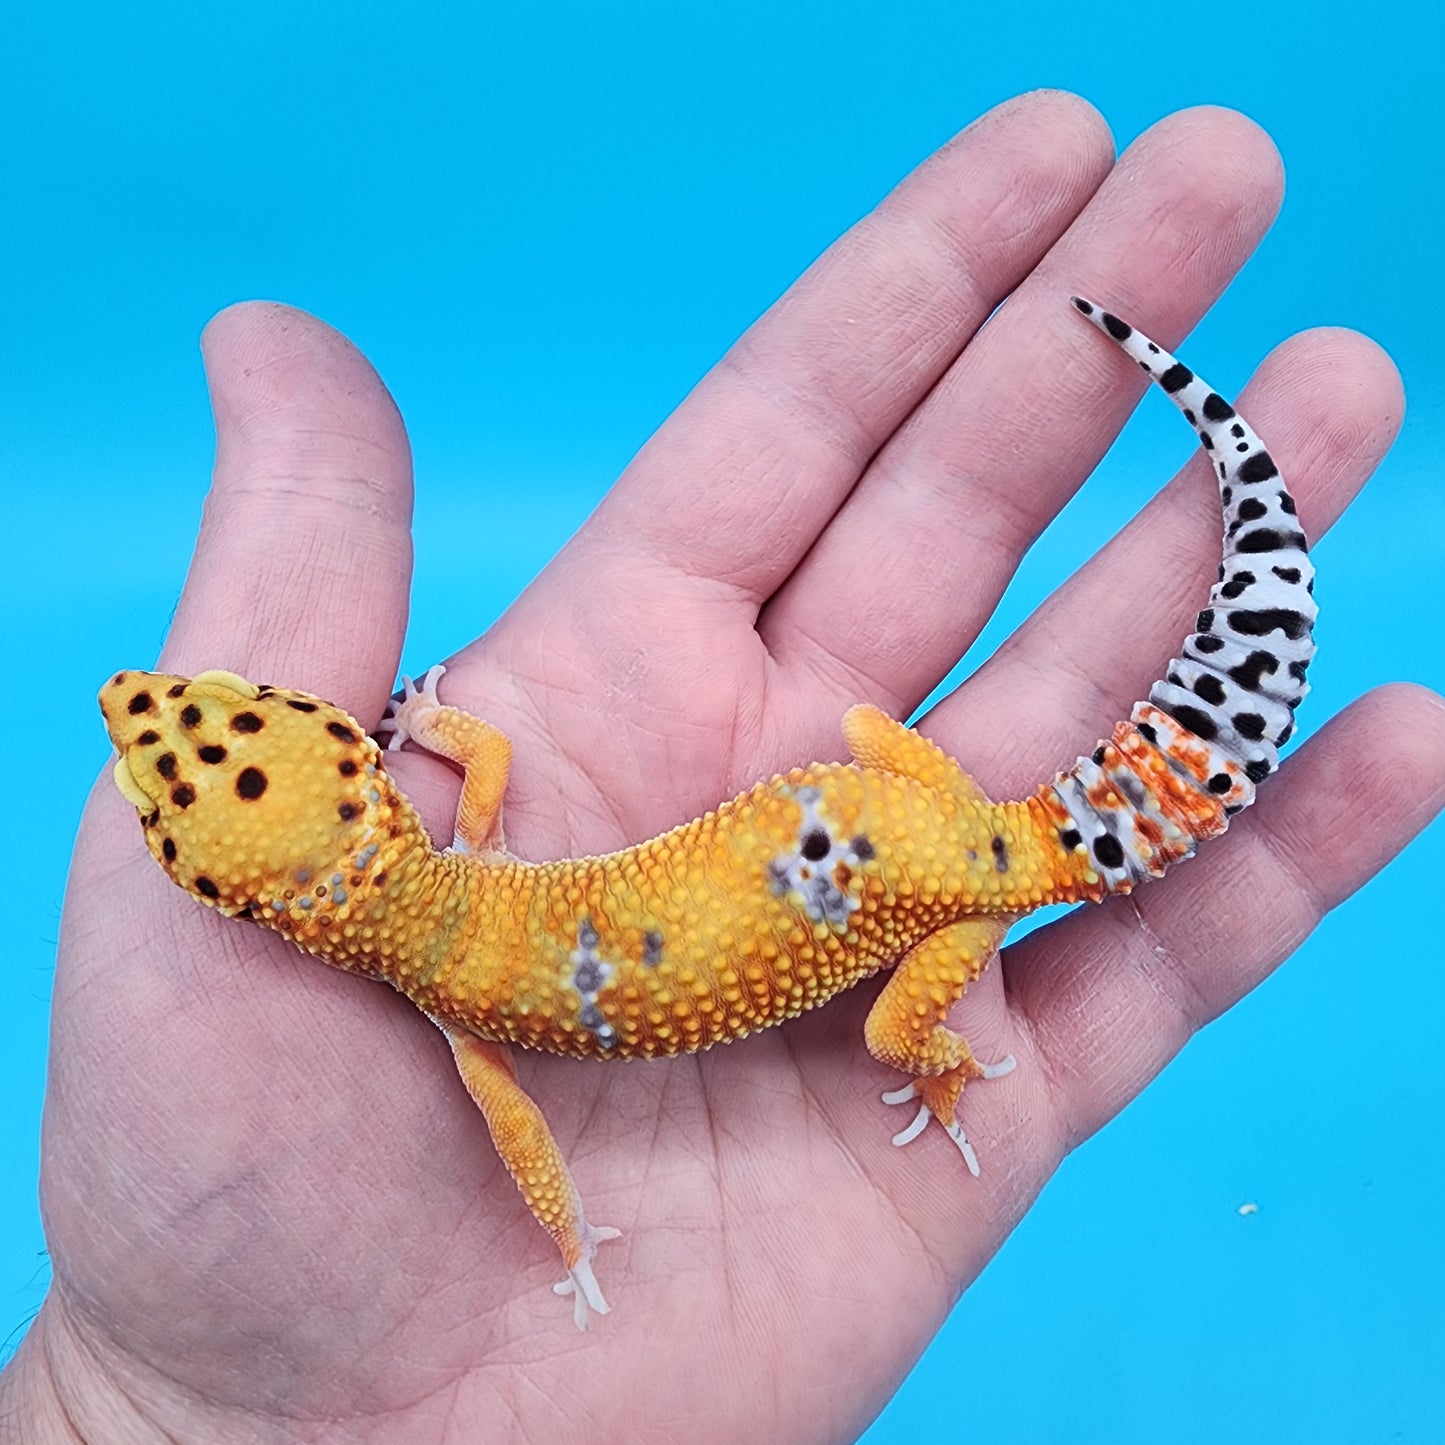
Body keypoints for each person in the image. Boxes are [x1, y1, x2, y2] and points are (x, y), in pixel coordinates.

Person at [3, 90, 1442, 1443]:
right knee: (918, 943)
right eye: (180, 763)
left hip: (946, 878)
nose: (135, 704)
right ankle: (1230, 546)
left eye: (178, 756)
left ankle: (950, 1023)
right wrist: (433, 720)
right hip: (899, 804)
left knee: (893, 1029)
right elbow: (484, 759)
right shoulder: (462, 872)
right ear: (345, 781)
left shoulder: (464, 1003)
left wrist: (575, 1250)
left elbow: (530, 1152)